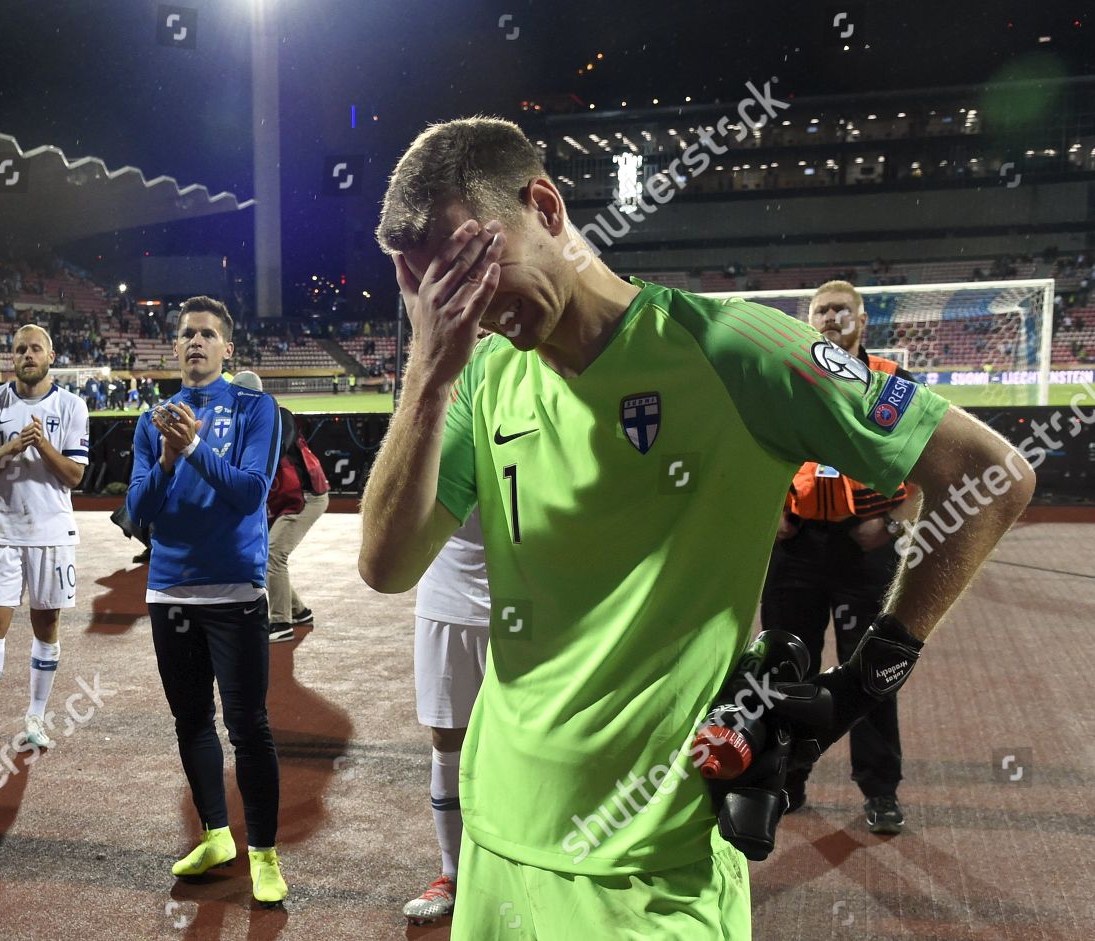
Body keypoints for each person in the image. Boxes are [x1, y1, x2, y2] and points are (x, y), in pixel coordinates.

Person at [359, 117, 1033, 939]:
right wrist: (429, 370)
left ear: (544, 205)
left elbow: (990, 476)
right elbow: (387, 565)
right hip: (496, 834)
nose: (467, 308)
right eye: (434, 292)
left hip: (652, 862)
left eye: (472, 267)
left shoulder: (732, 349)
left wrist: (861, 682)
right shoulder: (480, 375)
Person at [125, 295, 288, 906]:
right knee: (191, 720)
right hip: (170, 590)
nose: (195, 342)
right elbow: (138, 514)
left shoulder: (254, 407)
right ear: (175, 348)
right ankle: (218, 836)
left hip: (235, 591)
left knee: (248, 725)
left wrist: (193, 450)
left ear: (227, 349)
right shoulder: (152, 421)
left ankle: (265, 854)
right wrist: (168, 461)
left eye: (207, 334)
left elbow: (250, 494)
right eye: (187, 334)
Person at [763, 280, 920, 834]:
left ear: (861, 320)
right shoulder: (787, 379)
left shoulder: (892, 384)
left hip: (865, 547)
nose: (831, 318)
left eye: (840, 310)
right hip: (796, 547)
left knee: (872, 672)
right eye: (821, 311)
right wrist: (770, 512)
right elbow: (758, 451)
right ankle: (787, 781)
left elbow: (926, 458)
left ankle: (880, 790)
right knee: (784, 669)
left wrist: (894, 520)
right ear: (810, 322)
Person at [0, 323, 89, 750]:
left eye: (35, 348)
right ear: (12, 357)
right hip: (2, 532)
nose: (27, 355)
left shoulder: (72, 405)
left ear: (51, 356)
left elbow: (75, 475)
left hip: (53, 534)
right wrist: (12, 448)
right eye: (20, 349)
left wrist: (43, 446)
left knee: (47, 624)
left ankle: (35, 717)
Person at [401, 502, 493, 925]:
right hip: (446, 599)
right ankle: (452, 874)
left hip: (530, 601)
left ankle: (523, 864)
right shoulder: (437, 432)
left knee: (529, 735)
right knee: (447, 737)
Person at [264, 407, 329, 643]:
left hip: (305, 496)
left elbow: (279, 446)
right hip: (286, 498)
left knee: (273, 554)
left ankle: (281, 622)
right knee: (263, 556)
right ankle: (299, 611)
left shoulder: (277, 415)